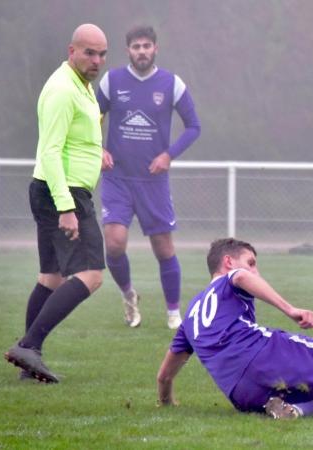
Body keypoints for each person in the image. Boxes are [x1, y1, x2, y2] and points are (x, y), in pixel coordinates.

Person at [156, 238, 313, 419]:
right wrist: (290, 309)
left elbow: (164, 376)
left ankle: (296, 410)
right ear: (228, 262)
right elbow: (241, 277)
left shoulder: (190, 318)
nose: (255, 271)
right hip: (262, 355)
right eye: (251, 263)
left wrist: (167, 405)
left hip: (241, 393)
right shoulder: (231, 278)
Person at [3, 24, 109, 383]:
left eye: (102, 54)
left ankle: (28, 363)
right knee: (91, 275)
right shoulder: (62, 89)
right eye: (90, 53)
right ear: (72, 51)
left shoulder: (83, 86)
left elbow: (74, 141)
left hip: (58, 191)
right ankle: (29, 346)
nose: (97, 60)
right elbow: (49, 150)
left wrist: (97, 154)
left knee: (50, 278)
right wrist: (66, 207)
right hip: (62, 194)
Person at [96, 25, 201, 329]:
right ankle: (129, 295)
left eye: (146, 46)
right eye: (135, 46)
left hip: (153, 183)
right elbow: (91, 117)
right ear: (127, 50)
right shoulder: (112, 81)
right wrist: (98, 148)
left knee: (163, 249)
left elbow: (193, 126)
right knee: (114, 245)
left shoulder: (172, 84)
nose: (141, 51)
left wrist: (168, 155)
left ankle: (173, 313)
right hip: (117, 179)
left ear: (155, 48)